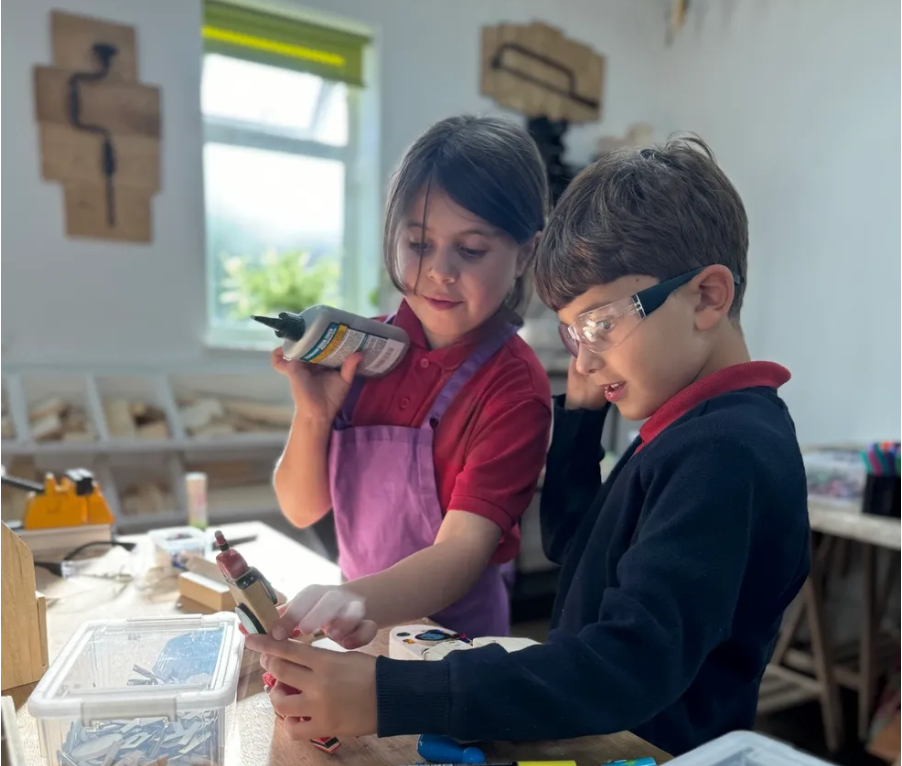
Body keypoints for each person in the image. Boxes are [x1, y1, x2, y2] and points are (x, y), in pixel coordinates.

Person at [246, 135, 812, 757]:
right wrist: (583, 420)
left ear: (707, 296)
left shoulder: (724, 451)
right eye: (572, 333)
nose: (586, 358)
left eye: (599, 324)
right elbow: (578, 545)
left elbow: (626, 666)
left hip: (651, 748)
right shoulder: (685, 429)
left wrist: (393, 693)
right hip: (592, 731)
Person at [270, 115, 552, 645]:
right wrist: (313, 415)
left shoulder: (513, 389)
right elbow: (301, 507)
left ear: (525, 254)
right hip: (357, 624)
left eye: (471, 250)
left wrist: (359, 599)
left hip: (451, 649)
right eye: (419, 245)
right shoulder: (358, 353)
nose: (439, 271)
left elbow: (460, 553)